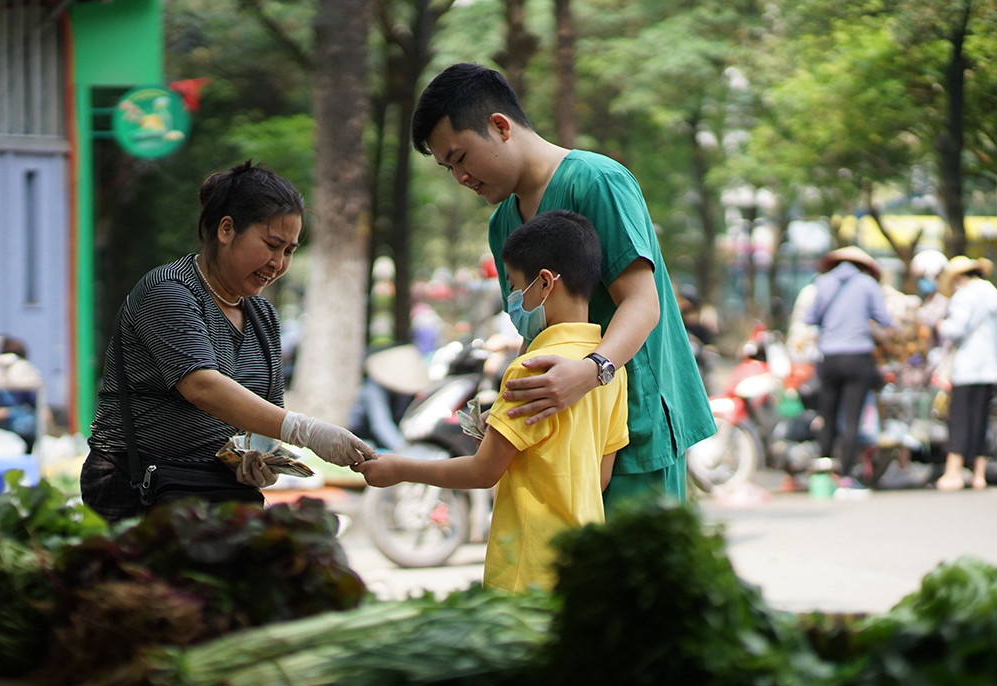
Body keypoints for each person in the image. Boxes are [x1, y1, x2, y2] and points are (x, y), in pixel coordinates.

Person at [410, 63, 713, 507]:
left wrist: (591, 372)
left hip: (635, 425)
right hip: (563, 440)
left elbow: (643, 304)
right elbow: (537, 334)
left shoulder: (597, 181)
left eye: (459, 158)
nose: (459, 178)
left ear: (499, 126)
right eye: (446, 168)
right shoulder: (502, 226)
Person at [81, 162, 375, 522]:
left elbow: (263, 417)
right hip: (140, 490)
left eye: (289, 251)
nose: (277, 263)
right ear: (226, 229)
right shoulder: (169, 292)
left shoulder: (262, 316)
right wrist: (307, 431)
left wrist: (261, 459)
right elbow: (201, 385)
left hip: (219, 494)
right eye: (271, 245)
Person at [358, 210, 629, 592]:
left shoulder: (531, 367)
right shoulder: (609, 370)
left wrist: (400, 469)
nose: (512, 303)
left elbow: (483, 472)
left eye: (516, 288)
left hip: (529, 563)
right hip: (583, 563)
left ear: (545, 283)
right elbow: (598, 478)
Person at [804, 246, 893, 490]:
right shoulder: (867, 285)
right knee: (852, 418)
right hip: (858, 357)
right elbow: (885, 319)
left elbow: (809, 318)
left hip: (830, 357)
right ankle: (845, 475)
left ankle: (822, 474)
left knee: (828, 415)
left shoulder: (822, 283)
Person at [933, 256, 997, 491]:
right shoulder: (995, 296)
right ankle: (979, 474)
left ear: (958, 278)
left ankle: (953, 473)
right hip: (990, 366)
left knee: (960, 420)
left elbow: (955, 329)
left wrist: (940, 326)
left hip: (967, 367)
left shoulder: (964, 296)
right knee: (981, 420)